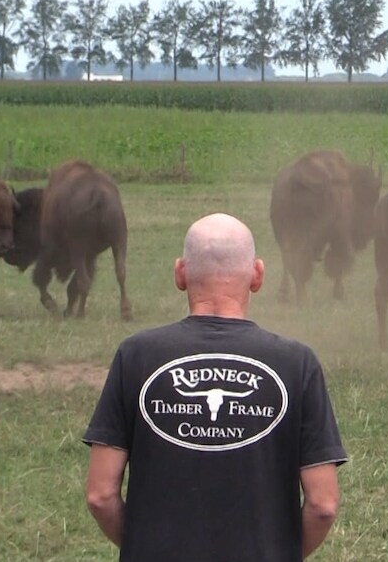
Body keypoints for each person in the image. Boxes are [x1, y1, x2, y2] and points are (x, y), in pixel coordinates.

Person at [84, 213, 347, 561]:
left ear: (180, 274)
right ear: (257, 275)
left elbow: (100, 495)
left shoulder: (136, 355)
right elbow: (323, 505)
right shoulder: (297, 363)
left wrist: (144, 548)